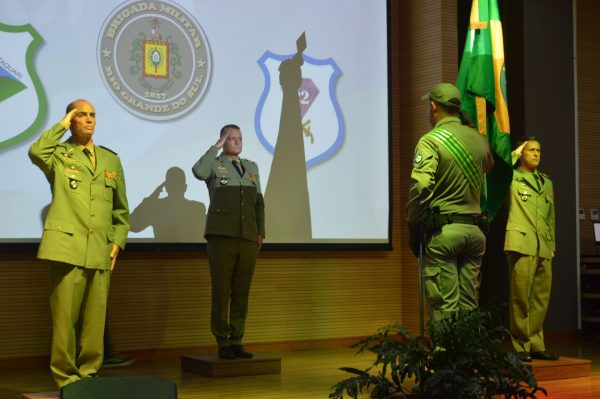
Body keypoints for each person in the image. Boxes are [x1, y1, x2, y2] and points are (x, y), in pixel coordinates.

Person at [28, 99, 130, 388]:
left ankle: (89, 376)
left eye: (92, 115)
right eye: (81, 115)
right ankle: (66, 379)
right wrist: (60, 126)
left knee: (95, 322)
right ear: (71, 119)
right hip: (67, 249)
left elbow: (121, 210)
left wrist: (117, 243)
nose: (89, 119)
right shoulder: (59, 154)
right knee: (65, 322)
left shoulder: (111, 160)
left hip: (100, 249)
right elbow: (36, 151)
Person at [407, 83, 494, 321]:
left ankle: (445, 357)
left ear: (433, 106)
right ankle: (469, 357)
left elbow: (421, 187)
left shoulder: (431, 140)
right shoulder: (479, 139)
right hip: (475, 232)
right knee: (469, 307)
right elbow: (489, 166)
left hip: (443, 233)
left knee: (444, 307)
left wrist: (413, 226)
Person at [192, 124, 265, 359]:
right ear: (223, 140)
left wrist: (260, 231)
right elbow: (198, 172)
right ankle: (222, 342)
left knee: (242, 292)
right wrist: (216, 146)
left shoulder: (251, 167)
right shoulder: (215, 164)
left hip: (247, 237)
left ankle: (237, 339)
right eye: (231, 138)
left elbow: (259, 203)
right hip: (222, 237)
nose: (237, 141)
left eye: (239, 138)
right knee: (222, 291)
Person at [505, 137, 558, 362]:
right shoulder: (513, 178)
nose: (536, 154)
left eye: (538, 150)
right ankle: (521, 346)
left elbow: (550, 218)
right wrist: (513, 155)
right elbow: (496, 171)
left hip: (542, 246)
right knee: (520, 298)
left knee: (541, 298)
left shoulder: (546, 183)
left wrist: (552, 244)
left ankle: (536, 344)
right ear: (522, 153)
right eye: (530, 150)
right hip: (521, 244)